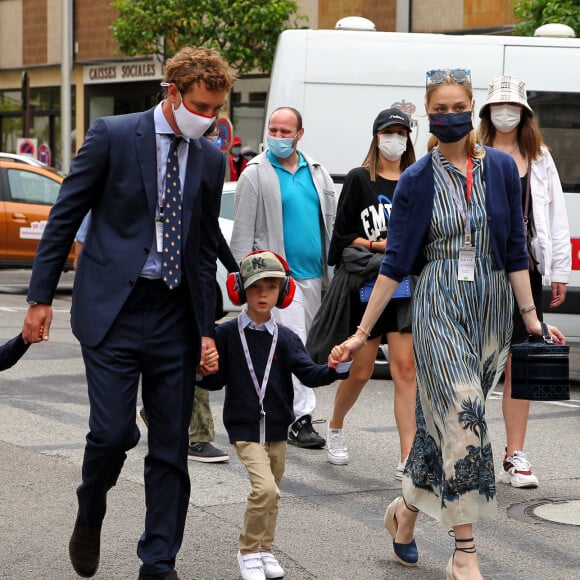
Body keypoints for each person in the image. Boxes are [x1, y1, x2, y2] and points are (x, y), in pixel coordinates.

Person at [333, 68, 565, 579]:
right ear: (429, 115)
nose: (449, 115)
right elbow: (395, 263)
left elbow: (513, 252)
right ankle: (465, 552)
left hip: (490, 308)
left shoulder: (502, 169)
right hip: (438, 304)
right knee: (466, 419)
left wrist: (531, 321)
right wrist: (358, 333)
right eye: (438, 109)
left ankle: (405, 511)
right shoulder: (417, 179)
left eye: (458, 106)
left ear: (472, 105)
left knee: (444, 430)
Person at [22, 46, 235, 580]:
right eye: (200, 107)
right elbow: (64, 215)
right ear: (173, 93)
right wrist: (39, 299)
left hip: (174, 315)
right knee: (114, 434)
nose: (208, 120)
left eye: (215, 111)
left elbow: (204, 245)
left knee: (171, 447)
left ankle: (158, 561)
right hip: (113, 311)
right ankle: (90, 510)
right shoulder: (114, 135)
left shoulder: (209, 156)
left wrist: (206, 329)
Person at [197, 250, 350, 580]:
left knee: (274, 494)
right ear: (240, 290)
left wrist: (337, 368)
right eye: (255, 287)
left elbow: (309, 373)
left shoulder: (287, 338)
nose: (263, 294)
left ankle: (266, 550)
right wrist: (203, 371)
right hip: (244, 426)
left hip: (278, 426)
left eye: (271, 286)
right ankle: (248, 551)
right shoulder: (226, 335)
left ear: (284, 291)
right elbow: (215, 380)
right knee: (265, 490)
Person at [307, 108, 417, 471]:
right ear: (376, 136)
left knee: (405, 369)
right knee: (362, 370)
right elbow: (339, 241)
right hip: (367, 285)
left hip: (404, 287)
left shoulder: (416, 179)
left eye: (402, 132)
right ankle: (335, 426)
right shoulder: (359, 179)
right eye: (389, 132)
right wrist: (377, 246)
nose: (395, 139)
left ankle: (407, 455)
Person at [477, 75, 571, 488]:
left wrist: (559, 271)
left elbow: (556, 215)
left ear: (525, 113)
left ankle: (515, 453)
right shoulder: (473, 152)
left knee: (522, 359)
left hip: (526, 268)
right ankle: (469, 443)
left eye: (513, 107)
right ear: (487, 112)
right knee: (476, 356)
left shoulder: (540, 156)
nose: (506, 114)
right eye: (499, 107)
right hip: (478, 267)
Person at [230, 106, 337, 450]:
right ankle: (300, 418)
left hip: (316, 276)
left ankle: (280, 409)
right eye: (273, 130)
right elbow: (243, 230)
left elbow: (329, 224)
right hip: (278, 278)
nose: (277, 137)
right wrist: (240, 279)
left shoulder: (316, 172)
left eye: (284, 131)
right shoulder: (255, 173)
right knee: (295, 344)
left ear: (299, 134)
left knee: (307, 347)